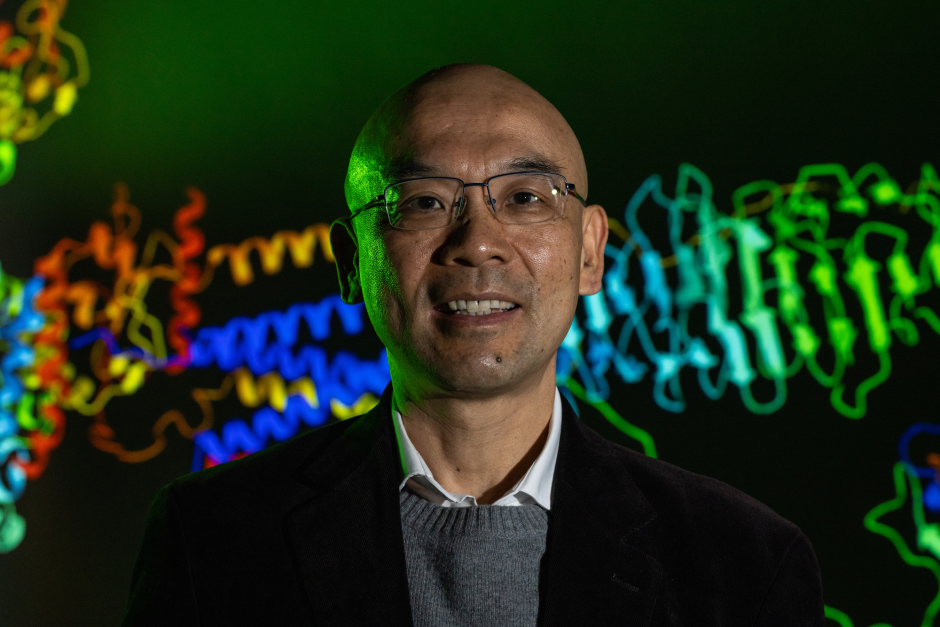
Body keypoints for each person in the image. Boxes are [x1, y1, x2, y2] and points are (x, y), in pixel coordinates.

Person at [122, 64, 825, 626]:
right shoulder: (212, 539)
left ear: (590, 252)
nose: (478, 241)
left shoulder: (742, 561)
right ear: (349, 260)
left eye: (526, 197)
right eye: (425, 201)